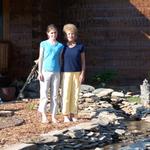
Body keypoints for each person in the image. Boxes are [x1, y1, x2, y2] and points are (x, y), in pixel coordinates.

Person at [38, 24, 64, 123]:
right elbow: (41, 58)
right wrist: (39, 72)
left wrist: (61, 72)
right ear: (48, 34)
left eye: (55, 32)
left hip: (56, 71)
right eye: (51, 33)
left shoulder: (60, 46)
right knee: (44, 94)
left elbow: (60, 59)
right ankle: (44, 115)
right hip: (45, 71)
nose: (53, 34)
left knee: (54, 95)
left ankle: (53, 116)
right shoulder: (43, 44)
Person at [61, 23, 86, 122]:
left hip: (77, 73)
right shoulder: (62, 47)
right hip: (66, 73)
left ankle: (73, 113)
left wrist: (82, 73)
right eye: (68, 34)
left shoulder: (80, 47)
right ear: (66, 35)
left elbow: (83, 61)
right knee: (66, 93)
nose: (70, 36)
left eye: (72, 34)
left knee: (75, 94)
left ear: (75, 35)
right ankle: (66, 115)